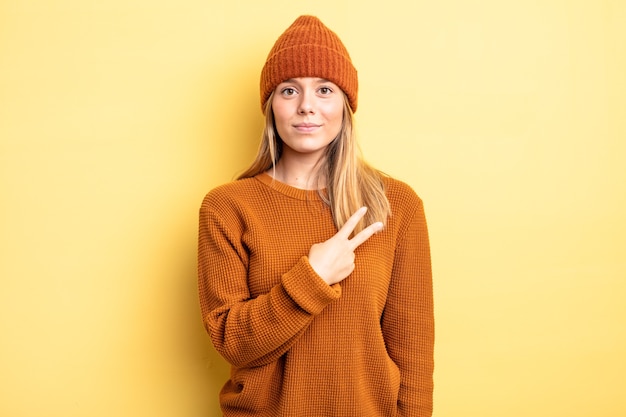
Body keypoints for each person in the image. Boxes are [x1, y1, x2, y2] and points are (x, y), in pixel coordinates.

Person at [197, 15, 434, 417]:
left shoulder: (396, 204)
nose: (307, 106)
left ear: (345, 103)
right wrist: (313, 277)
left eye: (324, 89)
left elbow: (413, 356)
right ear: (271, 105)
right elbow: (231, 341)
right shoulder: (227, 207)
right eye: (289, 90)